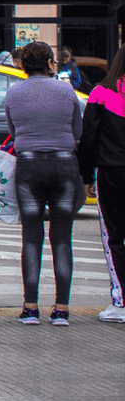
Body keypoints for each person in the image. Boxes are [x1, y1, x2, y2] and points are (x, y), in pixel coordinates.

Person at [3, 41, 85, 325]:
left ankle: (30, 307)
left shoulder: (13, 93)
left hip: (28, 165)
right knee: (62, 238)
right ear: (51, 63)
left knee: (31, 236)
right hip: (64, 165)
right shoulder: (66, 90)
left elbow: (12, 132)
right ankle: (61, 308)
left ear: (22, 65)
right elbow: (77, 131)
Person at [81, 47, 125, 323]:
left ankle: (120, 301)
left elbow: (88, 140)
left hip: (110, 172)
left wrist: (87, 177)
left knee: (114, 237)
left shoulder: (100, 94)